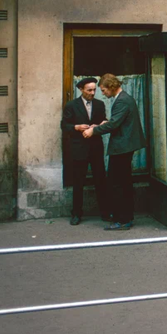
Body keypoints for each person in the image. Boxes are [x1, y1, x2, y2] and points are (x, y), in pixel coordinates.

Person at [83, 74, 146, 231]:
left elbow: (115, 124)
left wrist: (93, 130)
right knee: (123, 182)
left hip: (122, 147)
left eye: (103, 90)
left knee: (117, 183)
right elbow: (117, 121)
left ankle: (122, 220)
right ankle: (126, 217)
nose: (102, 94)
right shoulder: (124, 98)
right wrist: (108, 122)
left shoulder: (122, 100)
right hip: (125, 146)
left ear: (111, 87)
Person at [60, 77, 109, 225]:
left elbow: (104, 121)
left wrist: (100, 125)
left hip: (95, 148)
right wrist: (76, 127)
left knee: (100, 180)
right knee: (78, 182)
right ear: (81, 89)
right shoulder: (71, 105)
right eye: (89, 90)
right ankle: (76, 213)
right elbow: (64, 125)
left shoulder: (100, 105)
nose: (92, 93)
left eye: (94, 90)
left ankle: (105, 212)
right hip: (79, 148)